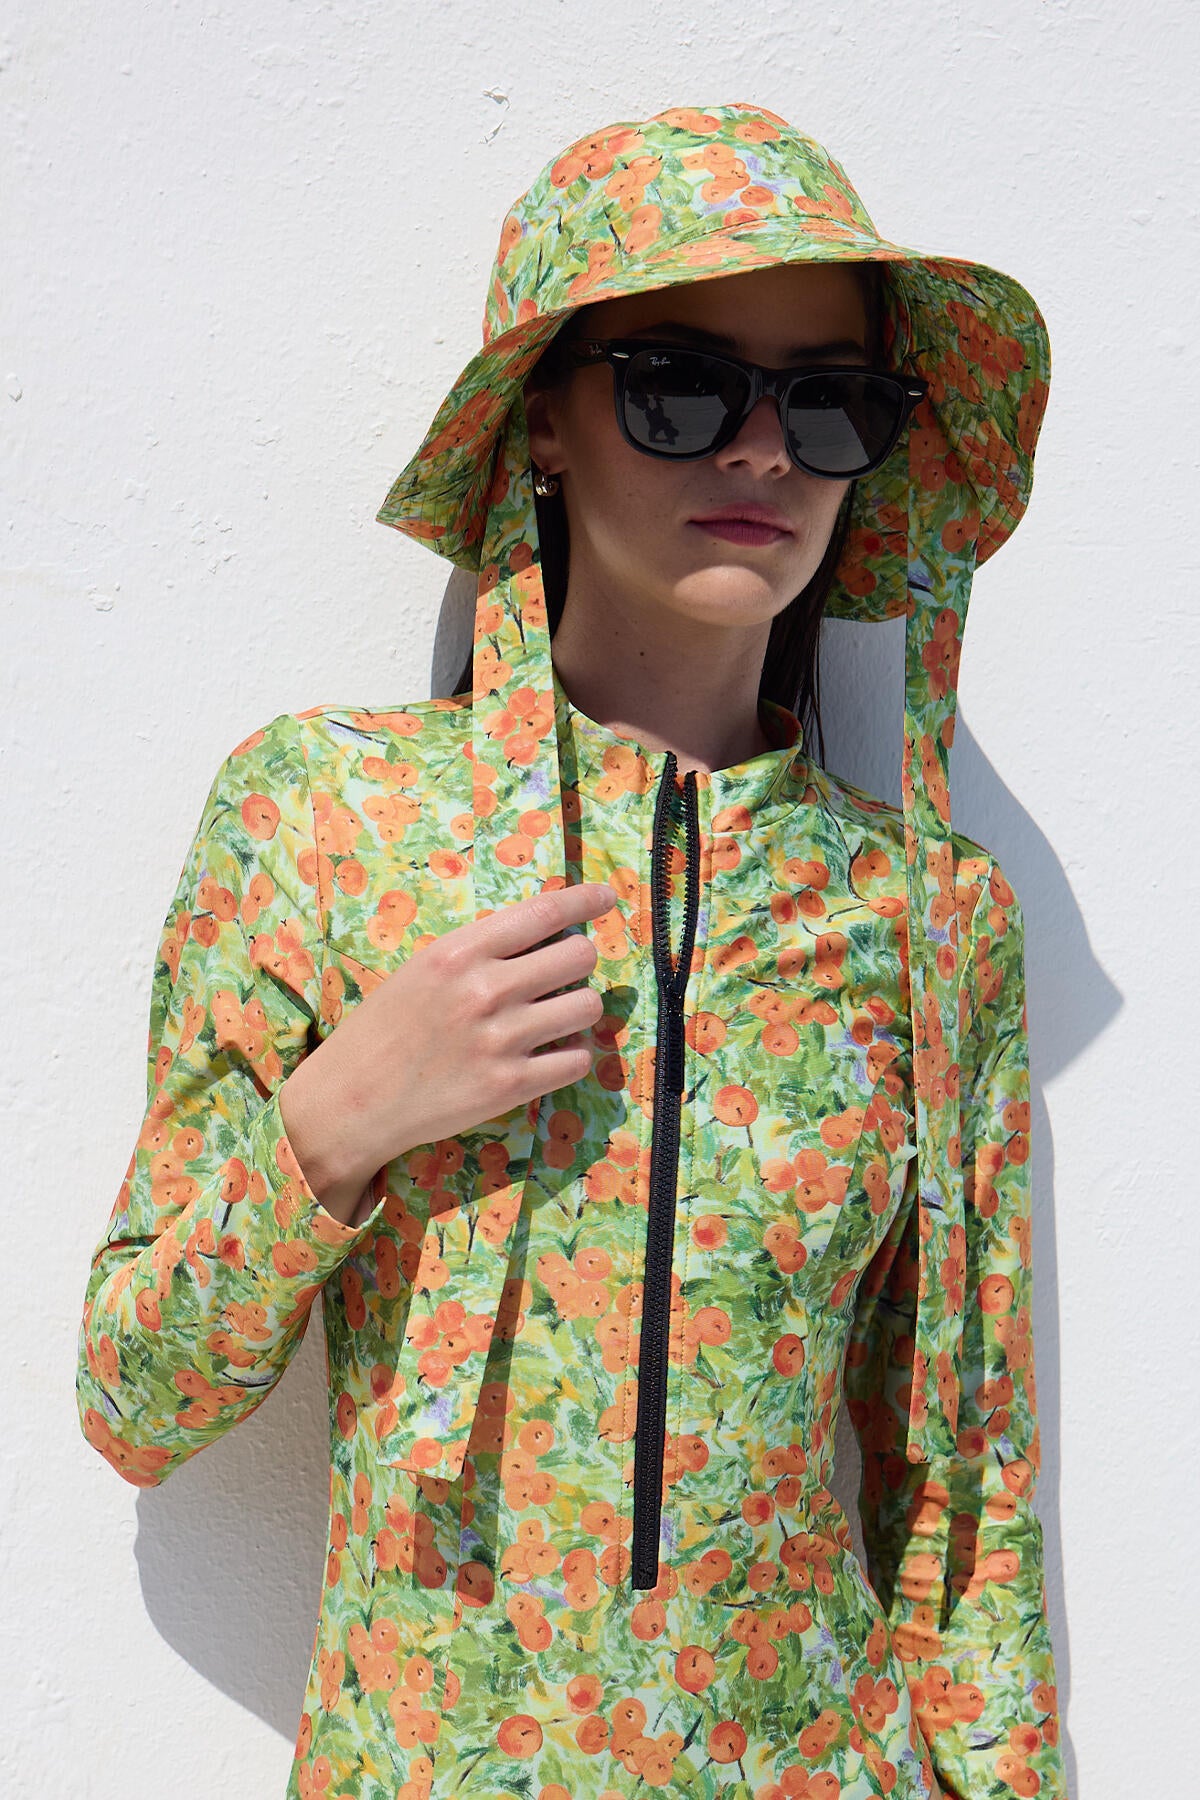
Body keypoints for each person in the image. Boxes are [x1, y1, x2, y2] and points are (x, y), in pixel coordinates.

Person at [76, 101, 1067, 1799]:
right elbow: (134, 1400)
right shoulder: (326, 819)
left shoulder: (932, 914)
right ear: (543, 418)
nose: (762, 453)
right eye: (682, 385)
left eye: (829, 401)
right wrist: (342, 1120)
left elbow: (963, 1505)